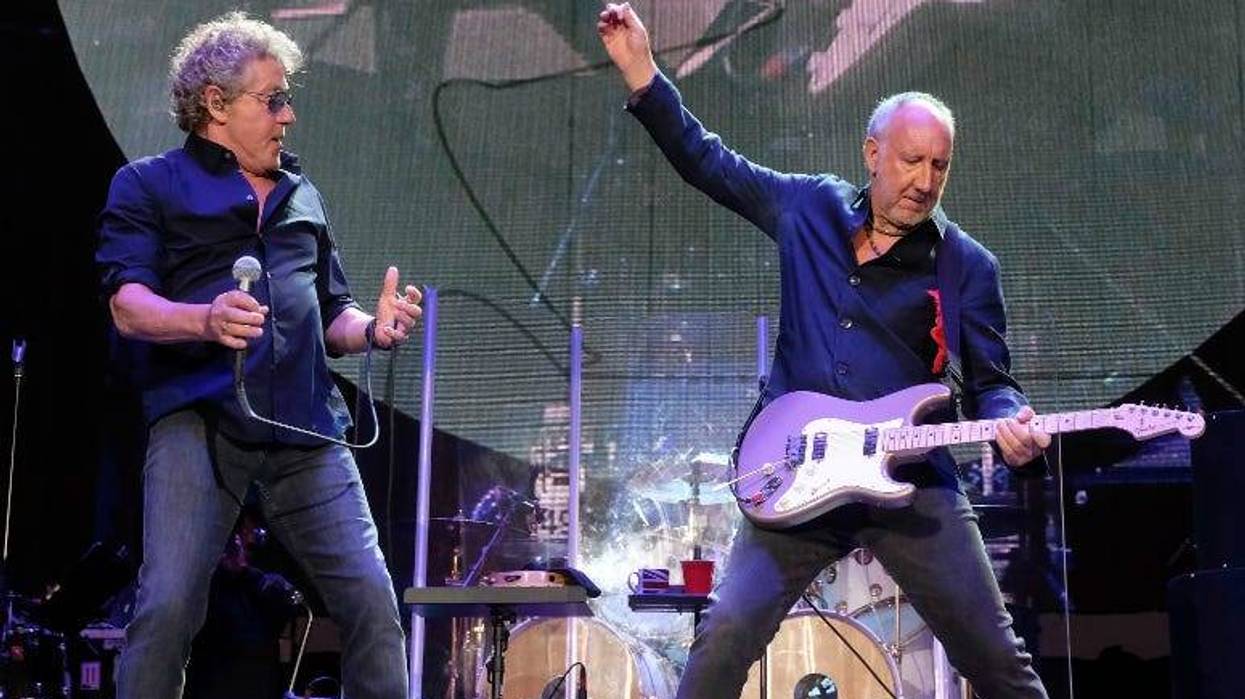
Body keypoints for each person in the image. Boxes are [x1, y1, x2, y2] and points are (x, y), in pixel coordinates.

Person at [597, 4, 1052, 698]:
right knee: (722, 635)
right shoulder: (807, 208)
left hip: (912, 485)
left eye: (939, 166)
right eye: (909, 161)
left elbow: (993, 383)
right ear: (871, 153)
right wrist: (642, 73)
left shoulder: (966, 264)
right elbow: (708, 161)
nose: (924, 181)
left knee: (998, 662)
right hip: (793, 473)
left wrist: (1013, 420)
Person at [95, 12, 417, 699]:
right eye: (272, 99)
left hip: (306, 430)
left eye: (286, 98)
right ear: (215, 103)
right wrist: (205, 318)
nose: (288, 115)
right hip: (201, 423)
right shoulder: (148, 184)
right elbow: (128, 306)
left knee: (371, 602)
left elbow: (334, 314)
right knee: (168, 606)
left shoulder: (304, 195)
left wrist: (375, 329)